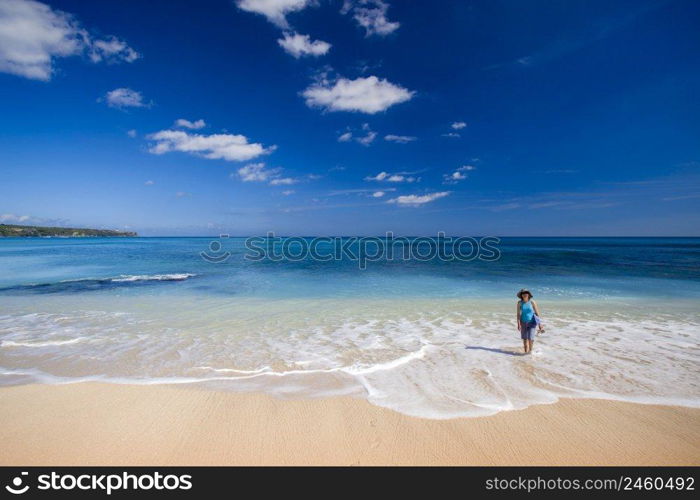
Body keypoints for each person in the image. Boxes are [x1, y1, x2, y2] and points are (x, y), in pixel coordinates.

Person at [516, 288, 543, 354]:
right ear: (521, 295)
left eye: (526, 293)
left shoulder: (532, 302)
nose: (524, 294)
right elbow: (518, 314)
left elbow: (537, 313)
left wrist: (539, 324)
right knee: (525, 339)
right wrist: (518, 324)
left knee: (531, 338)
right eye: (523, 293)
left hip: (532, 322)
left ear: (528, 294)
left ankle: (530, 352)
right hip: (523, 322)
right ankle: (525, 353)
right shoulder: (519, 303)